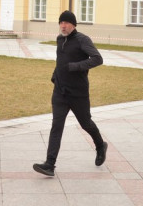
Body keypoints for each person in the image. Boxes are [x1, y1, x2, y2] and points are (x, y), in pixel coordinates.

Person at [33, 10, 108, 177]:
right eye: (61, 22)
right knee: (56, 126)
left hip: (78, 93)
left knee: (86, 123)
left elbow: (97, 59)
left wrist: (76, 66)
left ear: (73, 25)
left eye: (66, 23)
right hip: (60, 92)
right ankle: (49, 165)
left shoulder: (83, 40)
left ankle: (100, 145)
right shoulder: (60, 40)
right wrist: (55, 75)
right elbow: (61, 61)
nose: (63, 25)